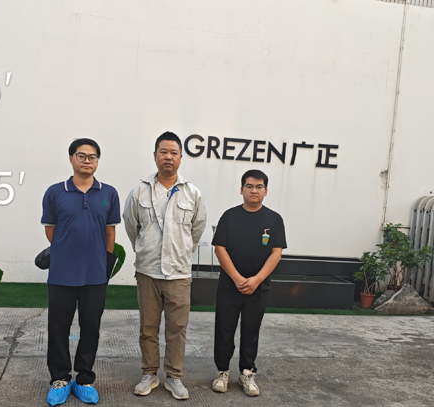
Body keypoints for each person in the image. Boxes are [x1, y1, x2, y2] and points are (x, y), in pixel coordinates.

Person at [123, 131, 207, 400]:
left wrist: (180, 252)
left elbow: (197, 229)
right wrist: (145, 250)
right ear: (155, 156)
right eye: (163, 152)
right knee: (148, 328)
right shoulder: (140, 191)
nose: (168, 157)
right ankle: (149, 373)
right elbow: (132, 226)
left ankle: (174, 376)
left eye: (173, 152)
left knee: (177, 329)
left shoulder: (192, 193)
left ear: (181, 157)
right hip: (148, 271)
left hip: (179, 274)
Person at [41, 138, 121, 405]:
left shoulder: (108, 193)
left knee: (91, 328)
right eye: (82, 156)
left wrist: (102, 262)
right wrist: (67, 252)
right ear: (71, 159)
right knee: (58, 328)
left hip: (95, 275)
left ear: (97, 161)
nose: (87, 161)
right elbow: (51, 230)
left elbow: (110, 233)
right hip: (61, 274)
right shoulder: (55, 192)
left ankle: (84, 378)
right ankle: (60, 378)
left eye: (93, 157)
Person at [210, 169, 287, 397]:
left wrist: (256, 280)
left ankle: (247, 372)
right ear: (241, 189)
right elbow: (220, 249)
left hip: (258, 287)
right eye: (249, 186)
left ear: (266, 191)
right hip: (229, 286)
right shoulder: (229, 216)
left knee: (251, 331)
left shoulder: (274, 220)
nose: (254, 190)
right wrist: (237, 278)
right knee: (224, 329)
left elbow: (276, 253)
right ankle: (222, 371)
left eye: (259, 186)